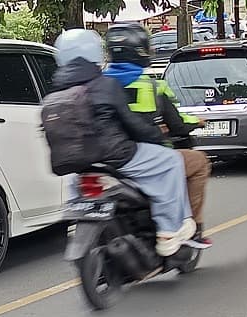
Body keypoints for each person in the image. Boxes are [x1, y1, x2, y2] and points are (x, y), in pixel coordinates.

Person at [45, 29, 195, 256]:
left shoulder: (55, 93)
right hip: (118, 156)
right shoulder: (106, 85)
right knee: (172, 161)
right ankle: (167, 231)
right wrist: (157, 138)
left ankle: (76, 225)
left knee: (76, 185)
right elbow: (132, 124)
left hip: (83, 164)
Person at [103, 23, 213, 248]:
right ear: (142, 51)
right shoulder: (153, 86)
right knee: (200, 162)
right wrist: (197, 122)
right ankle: (192, 228)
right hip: (144, 158)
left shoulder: (98, 84)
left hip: (104, 160)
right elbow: (178, 125)